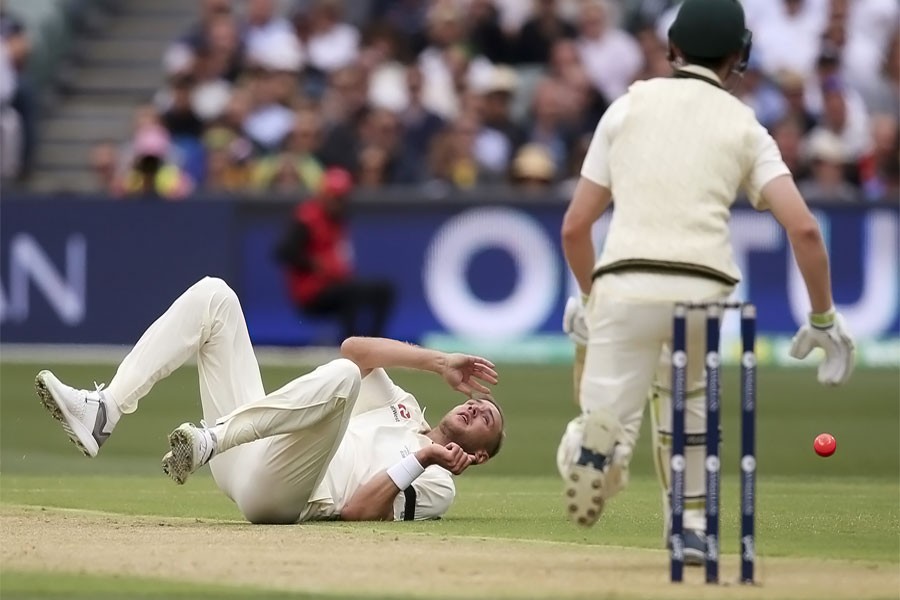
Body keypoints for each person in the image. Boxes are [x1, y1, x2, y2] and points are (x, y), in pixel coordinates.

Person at [556, 0, 855, 567]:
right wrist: (823, 319)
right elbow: (805, 230)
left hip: (623, 281)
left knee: (605, 421)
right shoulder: (743, 125)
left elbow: (575, 226)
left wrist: (591, 298)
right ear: (739, 56)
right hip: (701, 286)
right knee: (689, 411)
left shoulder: (627, 107)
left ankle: (597, 452)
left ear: (672, 48)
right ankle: (690, 530)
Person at [35, 276, 504, 524]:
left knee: (342, 379)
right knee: (215, 296)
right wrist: (438, 362)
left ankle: (211, 438)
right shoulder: (400, 404)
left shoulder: (440, 486)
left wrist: (422, 456)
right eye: (481, 401)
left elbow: (360, 510)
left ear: (479, 454)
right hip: (242, 451)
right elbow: (355, 350)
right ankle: (104, 409)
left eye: (487, 418)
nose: (477, 406)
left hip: (282, 496)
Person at [275, 167, 396, 342]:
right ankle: (350, 345)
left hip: (337, 284)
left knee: (384, 290)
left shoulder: (339, 219)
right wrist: (313, 263)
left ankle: (376, 344)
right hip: (312, 292)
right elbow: (284, 252)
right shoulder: (307, 218)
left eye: (342, 198)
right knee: (350, 293)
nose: (339, 203)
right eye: (335, 198)